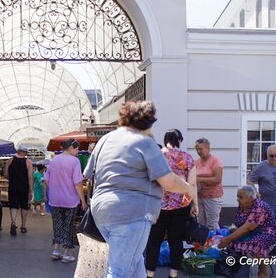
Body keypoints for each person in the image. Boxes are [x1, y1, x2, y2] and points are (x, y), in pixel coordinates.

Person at [84, 100, 197, 278]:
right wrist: (189, 189)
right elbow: (169, 182)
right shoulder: (144, 142)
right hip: (132, 213)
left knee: (135, 262)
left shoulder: (105, 140)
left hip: (101, 211)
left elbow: (89, 174)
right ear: (147, 123)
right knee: (118, 270)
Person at [145, 129, 198, 278]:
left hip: (159, 205)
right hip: (182, 205)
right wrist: (195, 205)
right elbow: (192, 184)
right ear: (179, 140)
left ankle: (150, 274)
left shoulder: (158, 155)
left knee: (154, 240)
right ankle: (173, 274)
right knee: (176, 240)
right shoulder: (188, 157)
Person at [218, 185, 276, 278]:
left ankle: (264, 270)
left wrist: (228, 239)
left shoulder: (259, 206)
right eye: (237, 197)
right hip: (252, 231)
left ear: (251, 198)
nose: (237, 200)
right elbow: (241, 225)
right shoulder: (243, 205)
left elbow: (248, 227)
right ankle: (239, 269)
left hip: (267, 232)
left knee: (254, 244)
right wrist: (232, 232)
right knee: (229, 237)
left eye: (240, 197)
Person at [43, 138, 87, 263]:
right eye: (77, 149)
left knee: (57, 225)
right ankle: (66, 254)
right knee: (68, 225)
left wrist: (55, 189)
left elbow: (46, 180)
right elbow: (78, 183)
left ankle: (56, 251)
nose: (78, 151)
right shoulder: (75, 161)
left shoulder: (54, 160)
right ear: (71, 148)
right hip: (70, 200)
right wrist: (83, 201)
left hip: (55, 199)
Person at [4, 146, 34, 236]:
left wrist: (12, 178)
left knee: (13, 205)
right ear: (25, 153)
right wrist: (31, 190)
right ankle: (23, 226)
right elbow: (30, 177)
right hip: (24, 187)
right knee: (24, 206)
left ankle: (13, 222)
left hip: (13, 186)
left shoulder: (10, 160)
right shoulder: (28, 162)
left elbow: (5, 174)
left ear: (18, 151)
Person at [194, 138, 223, 231]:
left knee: (212, 223)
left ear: (207, 148)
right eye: (197, 149)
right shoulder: (196, 162)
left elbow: (218, 179)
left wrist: (199, 179)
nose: (198, 151)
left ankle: (215, 243)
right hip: (199, 196)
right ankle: (202, 243)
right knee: (200, 221)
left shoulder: (215, 161)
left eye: (200, 149)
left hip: (212, 197)